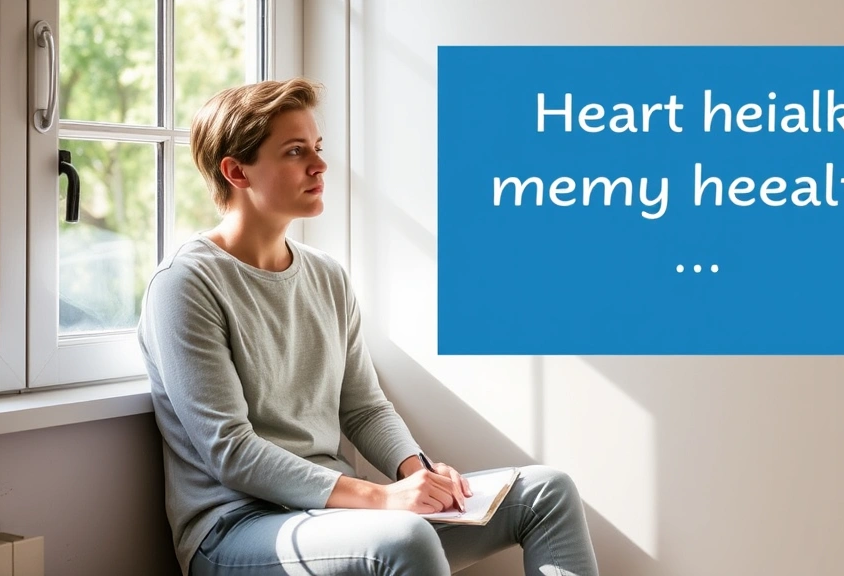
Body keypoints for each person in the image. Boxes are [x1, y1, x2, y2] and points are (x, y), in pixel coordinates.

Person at [137, 77, 600, 576]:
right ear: (236, 172)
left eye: (316, 147)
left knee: (546, 492)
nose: (319, 165)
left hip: (336, 513)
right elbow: (232, 452)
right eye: (295, 152)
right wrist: (382, 498)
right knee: (403, 536)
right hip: (236, 529)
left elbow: (364, 406)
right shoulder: (185, 284)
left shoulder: (326, 276)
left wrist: (418, 475)